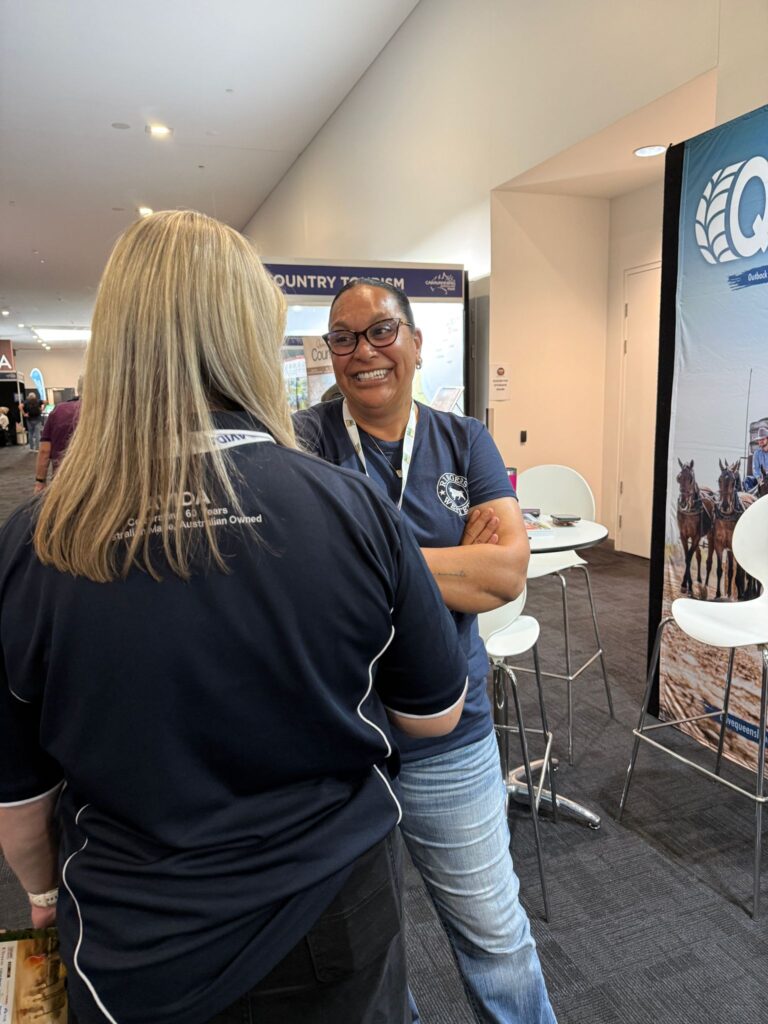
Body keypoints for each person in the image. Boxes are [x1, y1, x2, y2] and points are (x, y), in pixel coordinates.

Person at [0, 213, 469, 1024]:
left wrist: (44, 894)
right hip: (334, 915)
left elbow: (20, 808)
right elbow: (435, 713)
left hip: (133, 944)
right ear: (250, 332)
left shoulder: (34, 542)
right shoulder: (350, 506)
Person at [295, 279, 557, 1024]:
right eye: (343, 339)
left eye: (380, 331)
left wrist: (359, 563)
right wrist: (446, 566)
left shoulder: (463, 438)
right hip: (339, 740)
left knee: (498, 943)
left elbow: (505, 572)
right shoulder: (304, 440)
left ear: (415, 341)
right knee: (365, 954)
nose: (363, 352)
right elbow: (300, 578)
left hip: (454, 738)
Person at [33, 376, 83, 492]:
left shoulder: (59, 411)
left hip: (62, 479)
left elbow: (45, 451)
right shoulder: (107, 414)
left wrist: (40, 481)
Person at [743, 425, 768, 491]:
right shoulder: (757, 453)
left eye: (763, 439)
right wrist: (759, 479)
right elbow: (755, 469)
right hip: (760, 479)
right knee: (747, 480)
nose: (760, 441)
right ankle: (751, 499)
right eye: (759, 440)